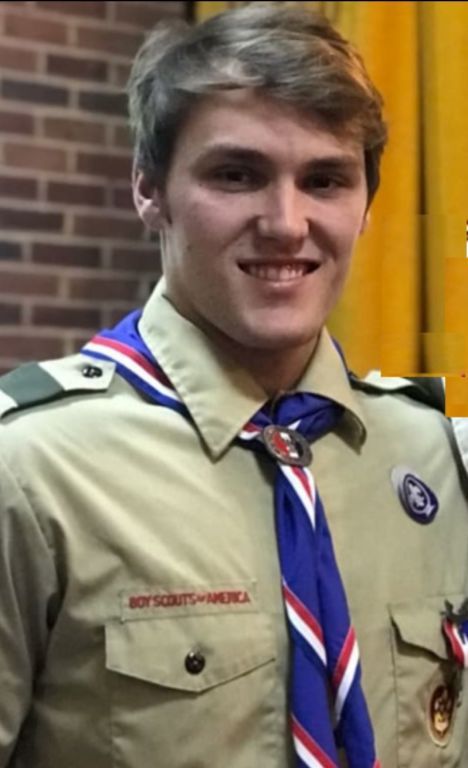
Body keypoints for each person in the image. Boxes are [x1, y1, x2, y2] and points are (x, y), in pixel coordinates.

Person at [0, 3, 467, 767]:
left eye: (325, 180)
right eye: (237, 174)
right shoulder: (30, 472)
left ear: (365, 206)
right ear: (148, 188)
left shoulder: (433, 461)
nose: (286, 223)